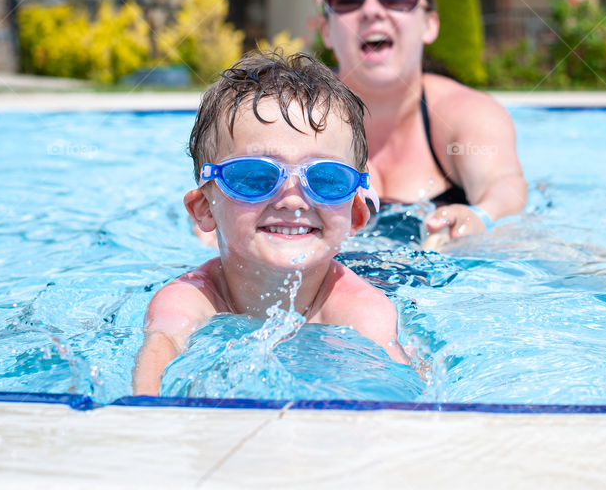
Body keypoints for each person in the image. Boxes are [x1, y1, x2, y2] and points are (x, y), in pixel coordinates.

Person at [132, 51, 408, 396]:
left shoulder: (362, 312)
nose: (292, 200)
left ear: (355, 215)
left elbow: (403, 401)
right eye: (254, 176)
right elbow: (160, 355)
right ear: (204, 208)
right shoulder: (191, 298)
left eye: (326, 179)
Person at [320, 0, 527, 243]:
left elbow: (503, 185)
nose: (372, 10)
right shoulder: (298, 119)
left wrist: (479, 217)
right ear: (327, 30)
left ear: (429, 24)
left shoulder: (465, 113)